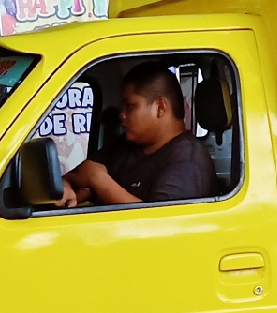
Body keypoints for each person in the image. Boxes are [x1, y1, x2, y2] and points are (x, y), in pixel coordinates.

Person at [61, 61, 215, 207]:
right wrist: (67, 187)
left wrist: (99, 182)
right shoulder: (125, 146)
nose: (122, 114)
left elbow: (160, 226)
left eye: (130, 106)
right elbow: (78, 176)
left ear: (160, 107)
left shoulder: (188, 163)